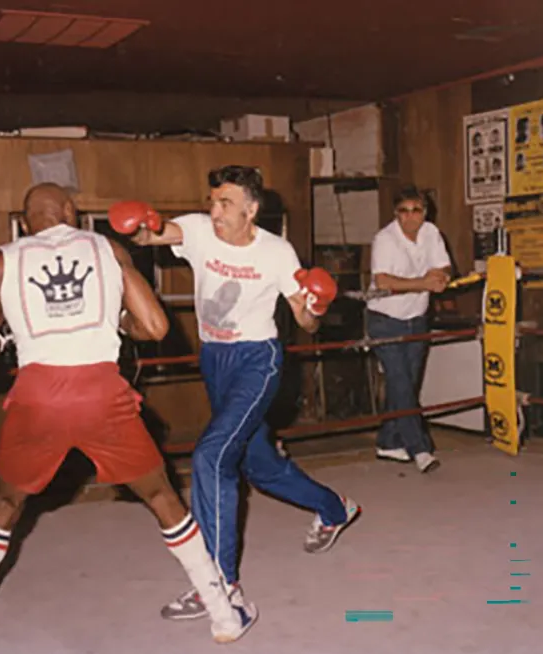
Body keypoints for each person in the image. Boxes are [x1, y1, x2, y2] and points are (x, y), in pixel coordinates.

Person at [0, 183, 255, 654]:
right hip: (101, 393)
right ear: (71, 212)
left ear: (25, 223)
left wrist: (6, 341)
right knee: (162, 496)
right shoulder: (106, 248)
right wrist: (120, 322)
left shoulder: (3, 259)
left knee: (5, 505)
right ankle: (223, 616)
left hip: (38, 396)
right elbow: (155, 326)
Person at [108, 165, 361, 623]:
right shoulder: (199, 230)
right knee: (259, 464)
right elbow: (152, 236)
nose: (216, 211)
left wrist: (317, 304)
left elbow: (306, 323)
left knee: (212, 456)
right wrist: (139, 227)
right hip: (215, 359)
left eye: (226, 203)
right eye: (213, 201)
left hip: (257, 362)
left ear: (251, 209)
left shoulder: (277, 252)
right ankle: (334, 508)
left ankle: (220, 586)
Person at [366, 185, 451, 473]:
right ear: (395, 213)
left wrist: (439, 276)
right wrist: (423, 283)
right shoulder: (384, 239)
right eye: (403, 211)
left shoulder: (431, 233)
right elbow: (383, 281)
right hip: (384, 319)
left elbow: (444, 267)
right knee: (401, 382)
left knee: (406, 384)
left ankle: (388, 442)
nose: (410, 217)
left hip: (416, 317)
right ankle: (420, 449)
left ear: (425, 212)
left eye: (416, 210)